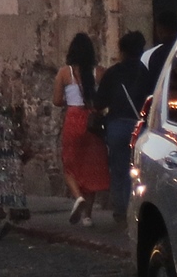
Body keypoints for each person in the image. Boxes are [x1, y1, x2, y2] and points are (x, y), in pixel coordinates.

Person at [53, 31, 110, 226]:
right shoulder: (99, 72)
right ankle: (88, 216)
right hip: (92, 121)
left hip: (73, 119)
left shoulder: (64, 73)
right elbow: (104, 98)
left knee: (70, 165)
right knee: (91, 168)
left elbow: (57, 101)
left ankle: (78, 197)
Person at [95, 29, 152, 209]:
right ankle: (134, 207)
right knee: (137, 170)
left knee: (119, 168)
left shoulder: (113, 73)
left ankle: (121, 208)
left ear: (123, 51)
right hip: (139, 127)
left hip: (117, 125)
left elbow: (99, 102)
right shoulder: (145, 73)